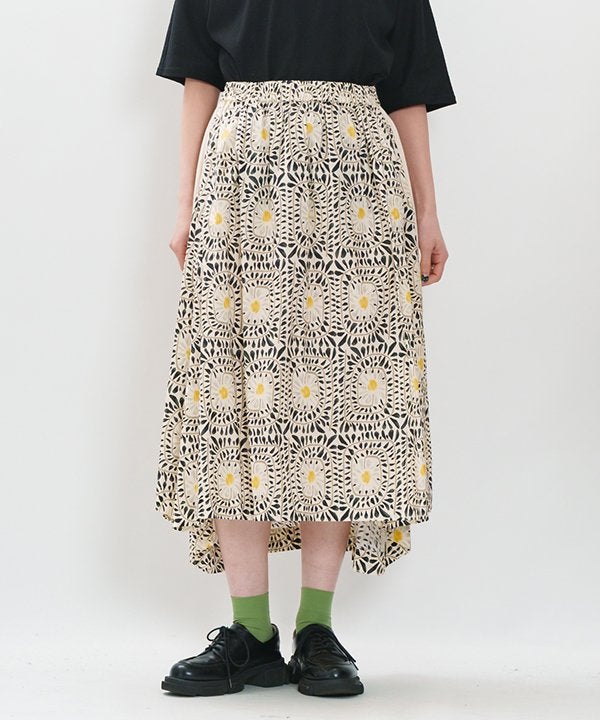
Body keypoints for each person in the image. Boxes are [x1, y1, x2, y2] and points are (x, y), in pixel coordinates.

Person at [154, 0, 456, 698]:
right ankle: (249, 633)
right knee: (234, 392)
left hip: (359, 184)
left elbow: (408, 86)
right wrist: (184, 205)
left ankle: (316, 627)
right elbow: (199, 73)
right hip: (241, 179)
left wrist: (428, 212)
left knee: (343, 397)